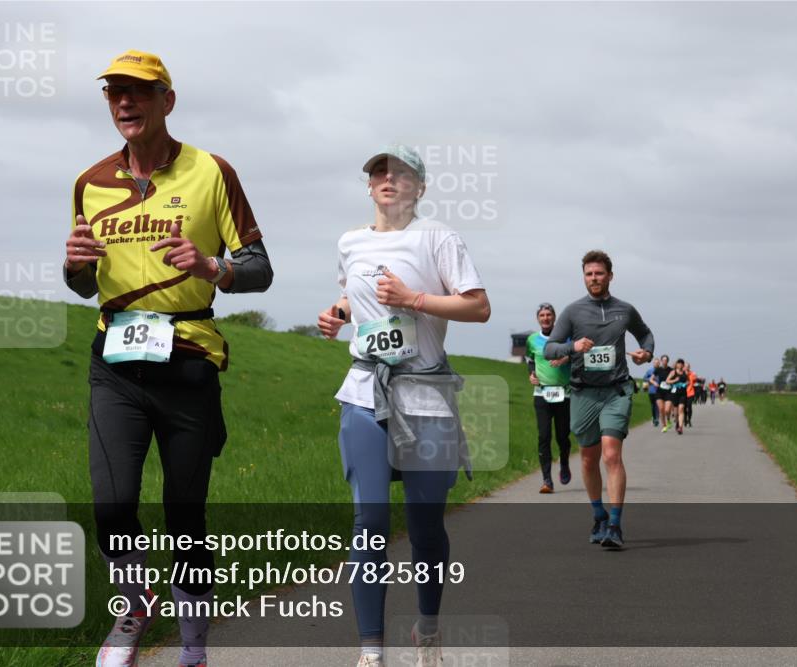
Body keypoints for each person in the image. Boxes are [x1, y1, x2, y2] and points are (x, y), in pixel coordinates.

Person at [63, 50, 273, 667]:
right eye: (114, 93)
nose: (124, 102)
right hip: (116, 364)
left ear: (166, 102)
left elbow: (259, 269)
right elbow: (81, 281)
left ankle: (192, 651)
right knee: (111, 502)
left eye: (139, 92)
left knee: (185, 517)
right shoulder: (89, 183)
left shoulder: (213, 172)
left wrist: (213, 266)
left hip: (188, 362)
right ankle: (133, 608)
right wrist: (75, 266)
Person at [317, 145, 490, 667]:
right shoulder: (350, 242)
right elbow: (355, 292)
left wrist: (413, 299)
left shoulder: (439, 237)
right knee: (368, 519)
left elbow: (478, 306)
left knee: (425, 526)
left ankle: (429, 629)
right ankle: (371, 649)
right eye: (378, 172)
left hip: (427, 397)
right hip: (365, 391)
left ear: (420, 187)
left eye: (401, 173)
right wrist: (338, 312)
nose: (388, 179)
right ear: (369, 186)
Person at [544, 250, 654, 550]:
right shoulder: (572, 312)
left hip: (616, 391)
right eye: (589, 274)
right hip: (582, 393)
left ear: (610, 276)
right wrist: (572, 345)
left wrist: (647, 353)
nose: (594, 278)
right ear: (584, 277)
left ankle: (616, 525)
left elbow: (645, 335)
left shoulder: (624, 310)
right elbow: (548, 349)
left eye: (599, 273)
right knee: (590, 458)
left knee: (611, 455)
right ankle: (598, 516)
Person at [526, 303, 573, 493]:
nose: (545, 318)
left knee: (563, 437)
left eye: (549, 315)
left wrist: (565, 358)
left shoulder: (564, 337)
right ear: (538, 318)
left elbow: (576, 354)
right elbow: (530, 360)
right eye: (542, 315)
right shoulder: (532, 340)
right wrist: (531, 374)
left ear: (554, 317)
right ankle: (547, 480)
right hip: (542, 394)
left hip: (564, 393)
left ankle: (564, 463)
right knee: (544, 437)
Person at [665, 359, 690, 435]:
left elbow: (688, 381)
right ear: (676, 365)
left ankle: (680, 427)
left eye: (681, 363)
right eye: (679, 363)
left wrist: (686, 384)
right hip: (675, 393)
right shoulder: (673, 372)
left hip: (683, 393)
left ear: (683, 365)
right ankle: (677, 423)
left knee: (681, 409)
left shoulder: (685, 372)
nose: (680, 365)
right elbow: (667, 381)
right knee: (676, 413)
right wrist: (675, 380)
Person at [654, 354, 673, 432]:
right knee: (661, 409)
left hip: (668, 391)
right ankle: (664, 426)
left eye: (666, 360)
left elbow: (675, 379)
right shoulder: (658, 369)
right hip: (659, 391)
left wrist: (671, 382)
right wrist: (654, 382)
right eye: (663, 360)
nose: (664, 361)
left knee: (667, 410)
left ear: (667, 361)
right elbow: (651, 378)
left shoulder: (671, 370)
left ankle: (668, 420)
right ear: (661, 361)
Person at [642, 358, 660, 427]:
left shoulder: (660, 370)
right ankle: (653, 417)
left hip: (659, 391)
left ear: (659, 364)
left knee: (657, 405)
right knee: (653, 405)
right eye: (655, 363)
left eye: (657, 363)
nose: (656, 364)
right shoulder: (650, 371)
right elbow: (644, 378)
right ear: (653, 363)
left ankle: (657, 419)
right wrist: (650, 380)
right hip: (651, 390)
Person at [685, 363, 697, 428]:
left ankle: (689, 420)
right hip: (683, 393)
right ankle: (685, 419)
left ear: (689, 367)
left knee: (689, 407)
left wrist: (695, 377)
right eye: (685, 366)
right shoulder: (681, 374)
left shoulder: (692, 374)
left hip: (690, 393)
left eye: (688, 367)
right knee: (683, 408)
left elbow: (695, 380)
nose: (686, 368)